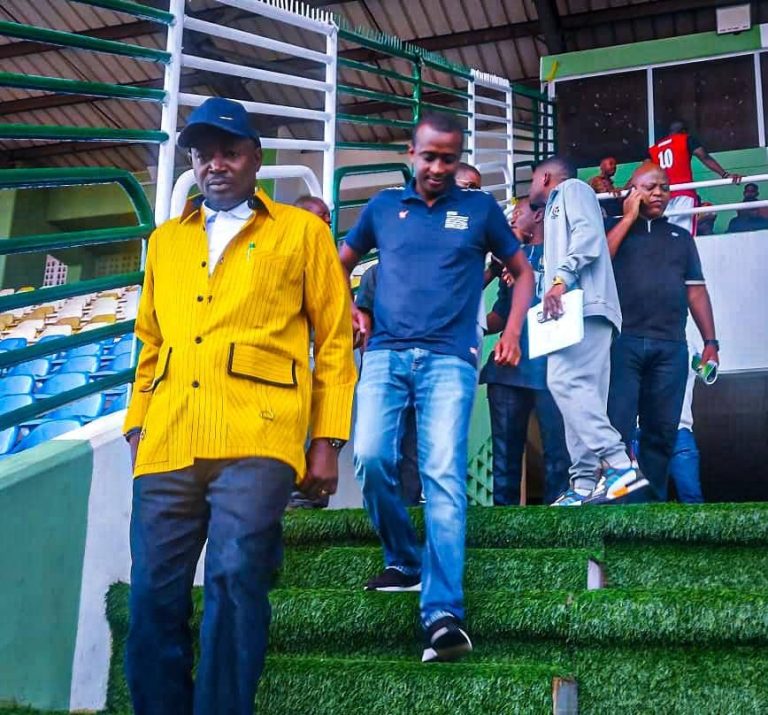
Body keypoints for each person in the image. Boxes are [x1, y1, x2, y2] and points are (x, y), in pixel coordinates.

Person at [123, 97, 357, 715]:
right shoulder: (166, 242)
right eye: (203, 155)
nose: (215, 165)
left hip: (260, 434)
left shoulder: (301, 232)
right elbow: (149, 341)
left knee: (234, 576)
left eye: (229, 152)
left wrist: (327, 441)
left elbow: (334, 340)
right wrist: (136, 425)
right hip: (168, 437)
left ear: (256, 158)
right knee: (152, 597)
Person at [338, 113, 534, 663]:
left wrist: (511, 332)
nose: (438, 167)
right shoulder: (383, 208)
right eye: (429, 157)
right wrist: (350, 307)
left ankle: (443, 612)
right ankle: (404, 560)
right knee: (372, 457)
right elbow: (338, 261)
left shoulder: (479, 210)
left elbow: (523, 271)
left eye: (449, 158)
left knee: (442, 474)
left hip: (450, 359)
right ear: (411, 153)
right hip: (385, 354)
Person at [528, 156, 645, 506]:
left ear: (545, 177)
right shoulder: (557, 206)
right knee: (580, 396)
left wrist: (560, 280)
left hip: (584, 307)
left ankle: (620, 464)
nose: (530, 187)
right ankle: (582, 484)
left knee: (563, 382)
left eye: (532, 179)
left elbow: (589, 237)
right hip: (579, 309)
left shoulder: (572, 190)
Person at [605, 162, 719, 502]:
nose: (659, 193)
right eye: (650, 187)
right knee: (618, 426)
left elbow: (696, 291)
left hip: (670, 345)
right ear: (631, 191)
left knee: (661, 430)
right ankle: (616, 504)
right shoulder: (612, 228)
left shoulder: (680, 238)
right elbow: (599, 262)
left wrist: (711, 341)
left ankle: (650, 505)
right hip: (623, 342)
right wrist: (628, 218)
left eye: (665, 188)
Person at [479, 198, 570, 505]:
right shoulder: (508, 258)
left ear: (540, 215)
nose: (513, 217)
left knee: (558, 457)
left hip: (552, 370)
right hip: (507, 371)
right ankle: (502, 528)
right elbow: (501, 315)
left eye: (519, 212)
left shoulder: (562, 255)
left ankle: (557, 525)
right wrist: (471, 324)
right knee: (505, 462)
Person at [355, 263, 422, 506]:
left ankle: (408, 512)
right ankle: (375, 514)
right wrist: (372, 370)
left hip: (421, 373)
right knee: (377, 451)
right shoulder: (374, 274)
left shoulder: (430, 271)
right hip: (383, 373)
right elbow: (365, 329)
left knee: (413, 453)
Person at [649, 120, 742, 234]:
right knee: (684, 235)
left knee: (668, 235)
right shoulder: (686, 139)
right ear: (684, 131)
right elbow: (704, 157)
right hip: (684, 193)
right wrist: (725, 174)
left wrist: (630, 187)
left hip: (663, 196)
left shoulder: (654, 149)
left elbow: (643, 171)